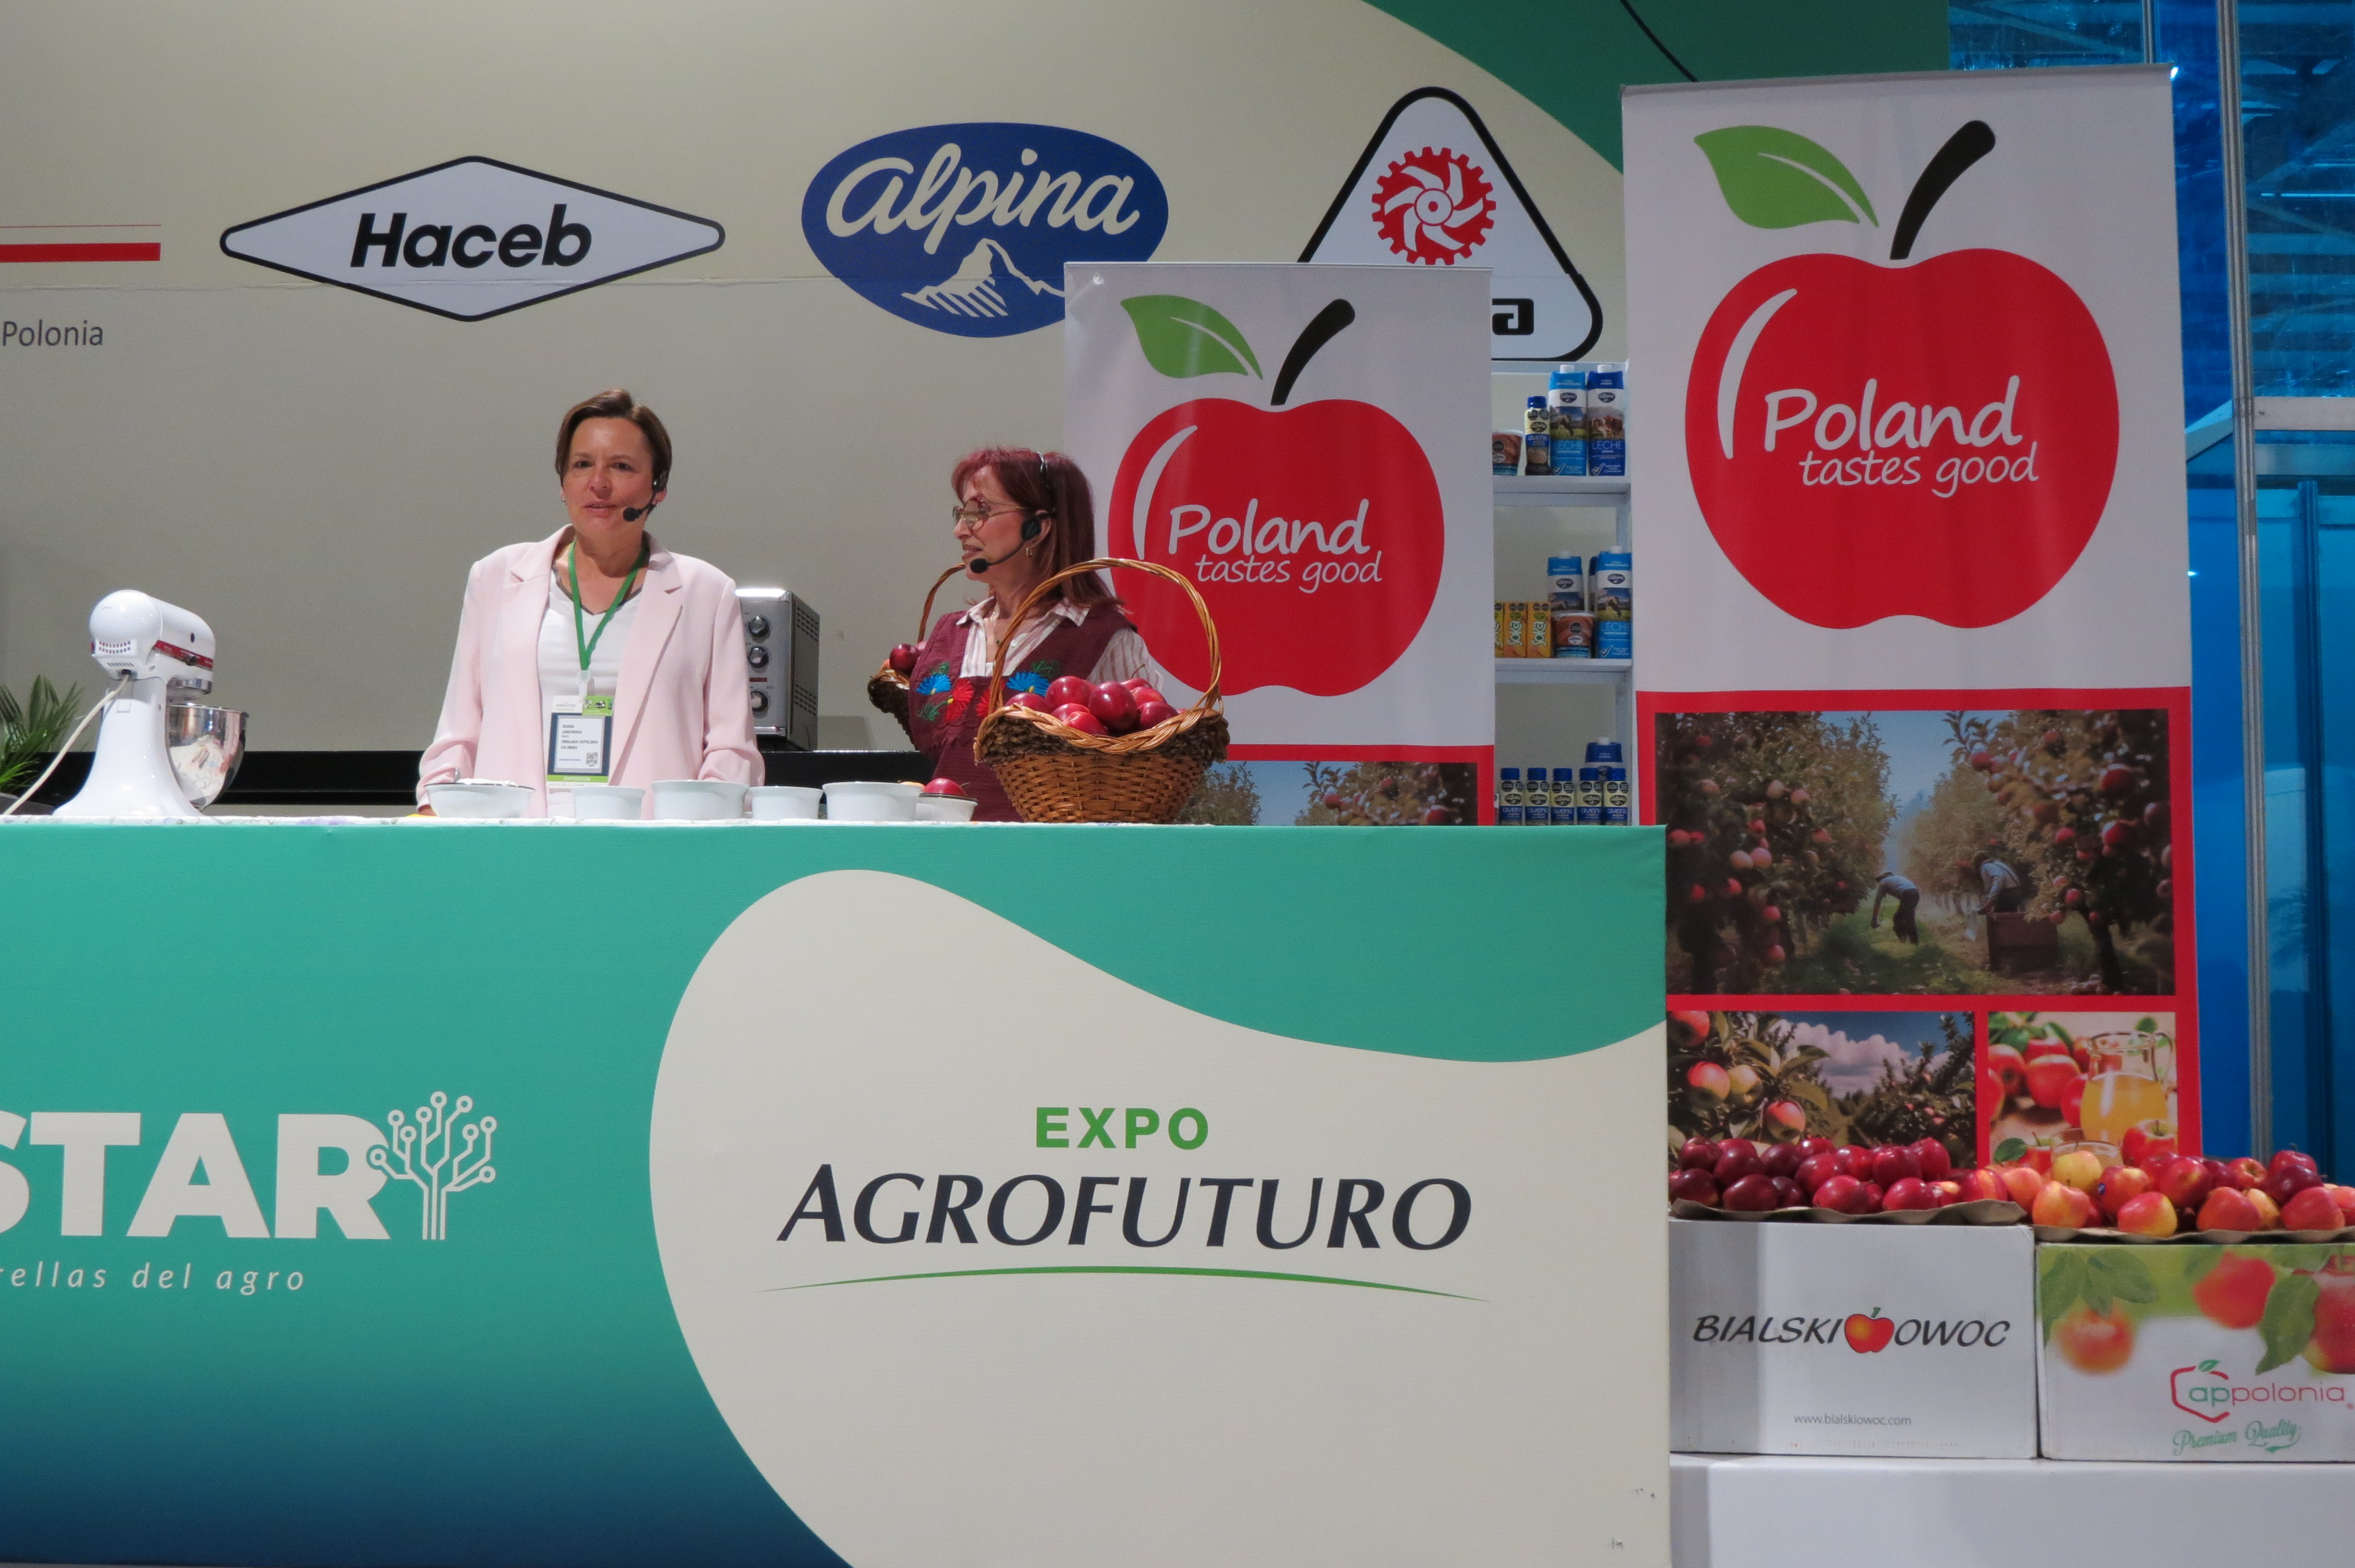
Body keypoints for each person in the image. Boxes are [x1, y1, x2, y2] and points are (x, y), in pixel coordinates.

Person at [419, 388, 759, 816]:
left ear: (658, 488)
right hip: (513, 836)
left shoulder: (705, 592)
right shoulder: (497, 577)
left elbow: (731, 751)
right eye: (582, 465)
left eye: (621, 466)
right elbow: (460, 731)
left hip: (646, 840)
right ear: (563, 483)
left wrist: (692, 834)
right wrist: (434, 807)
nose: (598, 483)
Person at [902, 446, 1155, 820]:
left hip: (1050, 852)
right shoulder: (949, 635)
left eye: (979, 512)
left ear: (1037, 529)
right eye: (961, 514)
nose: (960, 530)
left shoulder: (1103, 639)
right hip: (944, 849)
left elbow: (1140, 775)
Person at [1869, 871, 1921, 945]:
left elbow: (1877, 902)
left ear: (1881, 879)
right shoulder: (1897, 878)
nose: (1878, 883)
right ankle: (1904, 939)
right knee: (1899, 918)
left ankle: (1914, 943)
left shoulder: (1883, 882)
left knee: (1908, 919)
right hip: (1915, 893)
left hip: (1907, 894)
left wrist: (1874, 919)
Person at [1976, 852, 2025, 916]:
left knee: (1997, 918)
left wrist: (1990, 899)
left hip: (2007, 895)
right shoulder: (1999, 864)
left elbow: (1999, 878)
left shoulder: (1985, 867)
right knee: (2010, 918)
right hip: (2017, 892)